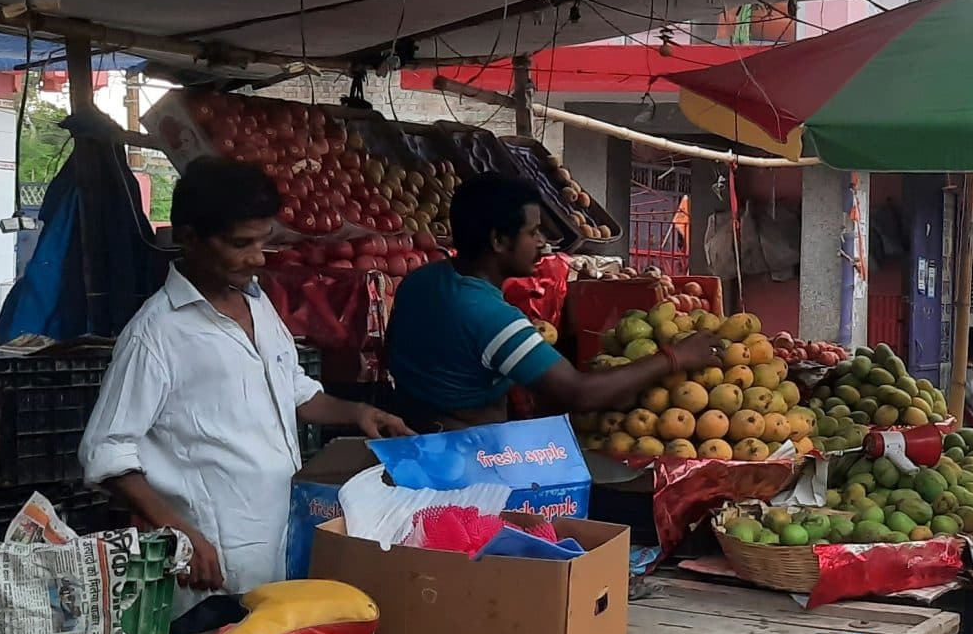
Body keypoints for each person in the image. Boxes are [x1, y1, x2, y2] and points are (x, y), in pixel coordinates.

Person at [81, 157, 414, 599]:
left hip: (280, 551)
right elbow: (105, 451)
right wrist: (182, 533)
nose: (258, 258)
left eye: (263, 242)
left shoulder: (258, 306)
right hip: (213, 570)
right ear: (189, 239)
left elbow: (294, 389)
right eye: (241, 244)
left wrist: (359, 412)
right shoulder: (157, 334)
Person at [385, 174, 717, 428]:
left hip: (415, 440)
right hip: (466, 460)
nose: (543, 243)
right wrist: (674, 358)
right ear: (499, 240)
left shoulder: (420, 282)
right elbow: (577, 393)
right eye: (533, 232)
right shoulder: (490, 316)